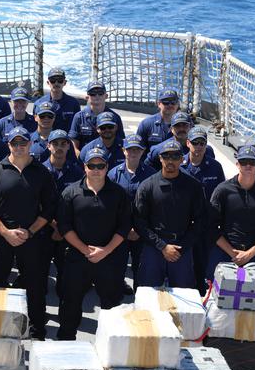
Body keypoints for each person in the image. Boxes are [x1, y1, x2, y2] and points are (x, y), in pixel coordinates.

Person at [0, 128, 58, 340]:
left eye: (22, 142)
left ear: (30, 144)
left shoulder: (41, 173)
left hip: (31, 239)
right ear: (8, 145)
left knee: (35, 286)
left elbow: (50, 207)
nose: (19, 147)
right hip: (1, 239)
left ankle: (36, 332)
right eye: (14, 143)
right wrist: (6, 232)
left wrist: (31, 231)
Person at [56, 147, 132, 339]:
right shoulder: (70, 192)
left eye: (101, 165)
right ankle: (65, 344)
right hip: (77, 258)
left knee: (112, 307)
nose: (96, 169)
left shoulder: (119, 194)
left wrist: (105, 251)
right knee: (70, 303)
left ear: (107, 167)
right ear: (85, 167)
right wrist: (85, 250)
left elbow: (124, 228)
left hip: (109, 258)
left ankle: (111, 347)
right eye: (92, 165)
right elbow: (64, 227)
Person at [134, 140, 207, 289]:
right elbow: (139, 222)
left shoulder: (193, 187)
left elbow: (200, 221)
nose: (170, 161)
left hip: (182, 247)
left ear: (182, 159)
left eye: (175, 157)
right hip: (154, 246)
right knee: (148, 295)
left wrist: (183, 246)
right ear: (160, 158)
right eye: (166, 157)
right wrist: (162, 246)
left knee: (183, 297)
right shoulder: (147, 186)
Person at [206, 145, 255, 277]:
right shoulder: (222, 190)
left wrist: (248, 254)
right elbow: (210, 227)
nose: (248, 166)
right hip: (224, 251)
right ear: (237, 164)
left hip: (254, 254)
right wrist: (233, 253)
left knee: (253, 296)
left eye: (252, 162)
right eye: (244, 162)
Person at [107, 134, 157, 290]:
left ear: (143, 152)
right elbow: (109, 206)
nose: (133, 153)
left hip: (143, 229)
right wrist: (125, 229)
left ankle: (140, 295)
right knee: (117, 264)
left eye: (137, 149)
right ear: (123, 151)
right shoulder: (113, 174)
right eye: (130, 149)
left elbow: (155, 204)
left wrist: (138, 228)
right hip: (118, 229)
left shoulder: (151, 174)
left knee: (141, 267)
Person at [180, 126, 226, 293]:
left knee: (204, 261)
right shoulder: (179, 165)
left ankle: (202, 292)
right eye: (195, 143)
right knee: (183, 262)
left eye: (202, 143)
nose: (198, 147)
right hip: (183, 223)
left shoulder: (215, 167)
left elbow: (221, 195)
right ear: (188, 143)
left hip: (206, 224)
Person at [41, 130, 84, 294]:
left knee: (66, 277)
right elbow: (35, 202)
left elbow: (80, 203)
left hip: (68, 230)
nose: (59, 147)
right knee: (39, 272)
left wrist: (63, 228)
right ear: (48, 146)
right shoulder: (39, 171)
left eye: (63, 144)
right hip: (43, 229)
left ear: (68, 146)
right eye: (55, 144)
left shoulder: (77, 172)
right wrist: (54, 225)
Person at [69, 81, 125, 153]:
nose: (97, 96)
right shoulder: (79, 117)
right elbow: (73, 144)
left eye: (100, 93)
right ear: (87, 97)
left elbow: (121, 143)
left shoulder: (115, 118)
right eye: (93, 94)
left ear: (106, 96)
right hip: (86, 159)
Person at [146, 113, 214, 169]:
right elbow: (147, 171)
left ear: (191, 127)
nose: (181, 129)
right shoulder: (159, 150)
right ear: (171, 129)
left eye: (185, 125)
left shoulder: (206, 150)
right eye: (177, 126)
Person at [36, 67, 81, 132]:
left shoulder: (74, 103)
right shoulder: (38, 104)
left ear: (65, 82)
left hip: (67, 141)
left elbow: (77, 127)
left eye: (60, 80)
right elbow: (36, 127)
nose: (56, 83)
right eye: (53, 81)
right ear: (48, 83)